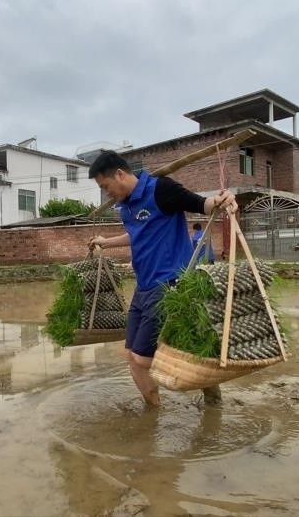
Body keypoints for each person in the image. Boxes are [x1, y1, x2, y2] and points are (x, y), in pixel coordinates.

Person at [87, 151, 237, 406]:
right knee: (131, 357)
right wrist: (106, 242)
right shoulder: (125, 205)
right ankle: (153, 412)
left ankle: (200, 377)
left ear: (120, 174)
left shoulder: (161, 190)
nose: (106, 193)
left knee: (143, 358)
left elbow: (202, 204)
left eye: (105, 186)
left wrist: (221, 200)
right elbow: (138, 235)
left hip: (169, 284)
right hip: (143, 286)